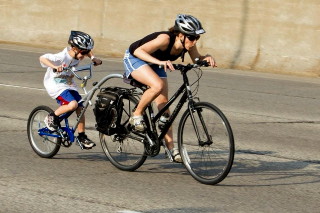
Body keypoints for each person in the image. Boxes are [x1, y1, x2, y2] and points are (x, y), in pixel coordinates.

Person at [123, 14, 216, 162]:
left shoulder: (188, 43)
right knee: (157, 85)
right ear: (180, 35)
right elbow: (138, 52)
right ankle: (136, 115)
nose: (194, 41)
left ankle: (171, 149)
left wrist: (207, 58)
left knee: (165, 108)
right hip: (136, 58)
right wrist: (160, 62)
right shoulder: (165, 39)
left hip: (158, 62)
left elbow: (197, 58)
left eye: (197, 38)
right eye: (192, 37)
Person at [39, 30, 102, 149]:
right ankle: (51, 117)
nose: (84, 55)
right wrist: (55, 67)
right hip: (56, 85)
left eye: (86, 52)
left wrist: (93, 58)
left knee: (80, 107)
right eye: (82, 52)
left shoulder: (80, 53)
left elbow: (88, 52)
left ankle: (82, 136)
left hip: (68, 83)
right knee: (72, 104)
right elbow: (42, 58)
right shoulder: (62, 57)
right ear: (74, 48)